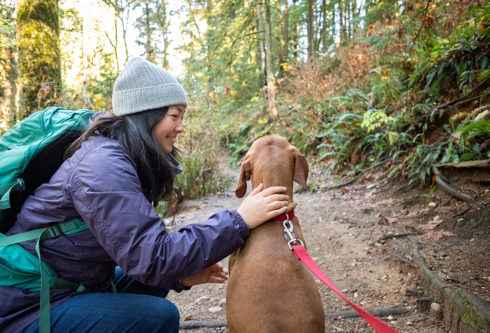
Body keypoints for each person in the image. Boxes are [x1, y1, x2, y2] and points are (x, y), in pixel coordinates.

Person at [0, 57, 289, 332]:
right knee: (158, 317)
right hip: (25, 304)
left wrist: (178, 276)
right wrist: (238, 220)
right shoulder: (102, 165)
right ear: (146, 115)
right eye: (174, 115)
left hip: (63, 282)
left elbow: (140, 250)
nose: (181, 126)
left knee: (159, 281)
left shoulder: (117, 155)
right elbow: (153, 258)